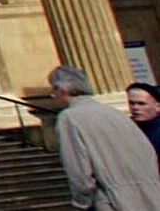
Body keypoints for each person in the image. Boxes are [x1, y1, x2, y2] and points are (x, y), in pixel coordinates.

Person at [51, 66, 160, 209]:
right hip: (149, 197)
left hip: (111, 201)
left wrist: (81, 202)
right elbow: (148, 154)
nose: (52, 95)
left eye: (54, 89)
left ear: (62, 89)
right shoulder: (115, 113)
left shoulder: (69, 117)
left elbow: (78, 170)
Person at [130, 82, 160, 161]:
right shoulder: (127, 127)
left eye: (141, 104)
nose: (135, 108)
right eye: (132, 103)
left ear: (158, 107)